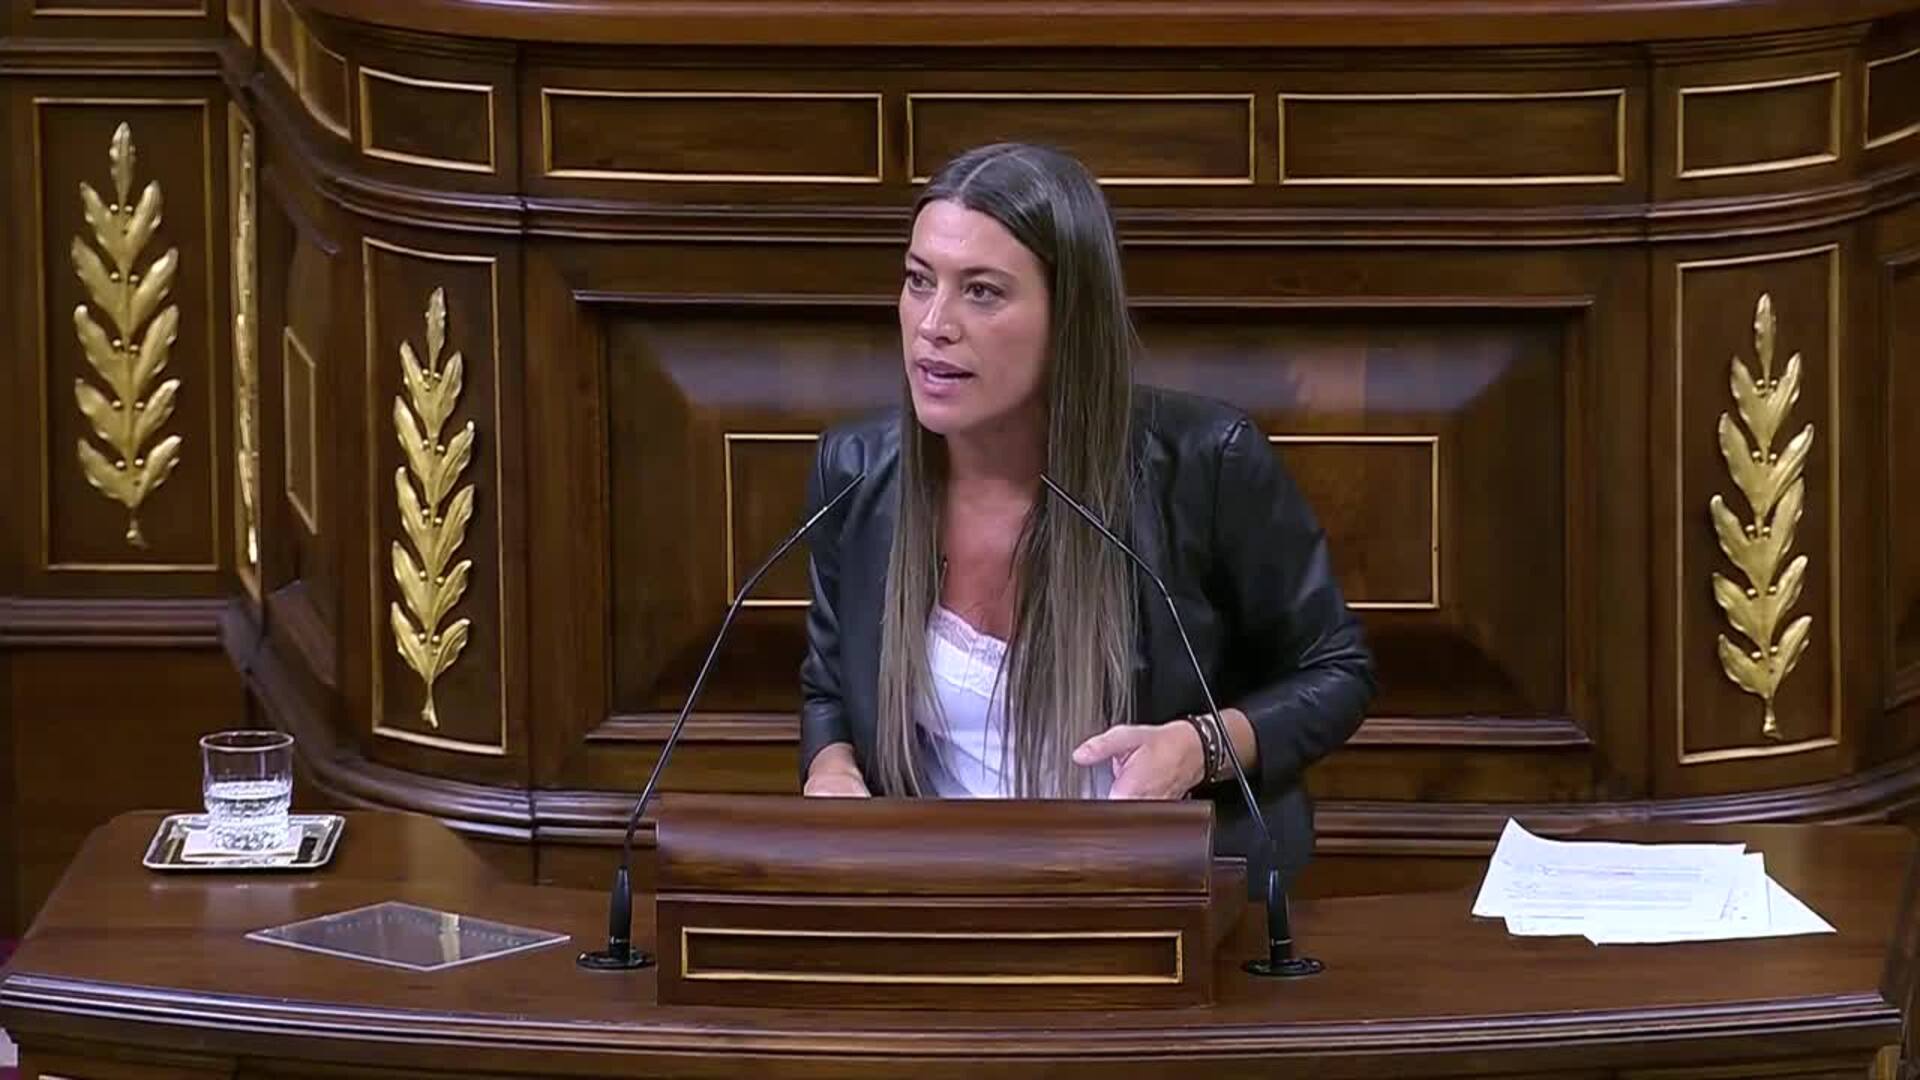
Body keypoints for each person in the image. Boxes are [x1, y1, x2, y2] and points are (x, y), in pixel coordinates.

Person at [796, 142, 1374, 889]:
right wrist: (831, 770)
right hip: (929, 896)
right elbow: (830, 691)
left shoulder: (1205, 465)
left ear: (1070, 316)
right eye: (918, 280)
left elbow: (1337, 672)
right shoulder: (855, 472)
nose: (933, 323)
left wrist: (1200, 747)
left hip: (1147, 902)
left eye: (981, 292)